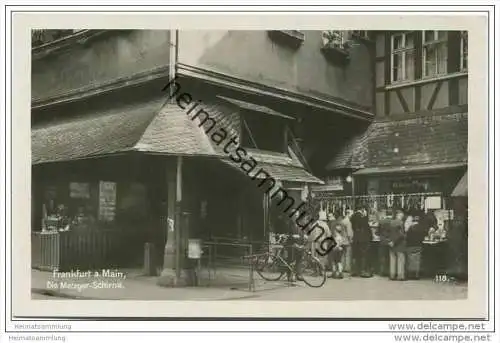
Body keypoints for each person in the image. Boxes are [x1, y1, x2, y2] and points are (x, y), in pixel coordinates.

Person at [351, 206, 373, 278]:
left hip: (356, 239)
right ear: (363, 210)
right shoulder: (363, 218)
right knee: (364, 255)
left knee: (356, 255)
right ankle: (364, 271)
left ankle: (355, 271)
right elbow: (367, 229)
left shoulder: (352, 217)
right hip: (363, 240)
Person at [405, 212, 428, 280]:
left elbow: (407, 237)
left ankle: (410, 275)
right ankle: (416, 275)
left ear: (413, 221)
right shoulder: (421, 228)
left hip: (410, 246)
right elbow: (423, 237)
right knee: (417, 261)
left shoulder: (409, 228)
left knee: (410, 261)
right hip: (418, 245)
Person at [388, 209, 406, 281]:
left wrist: (390, 241)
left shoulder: (391, 222)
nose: (402, 216)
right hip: (399, 243)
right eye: (401, 215)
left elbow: (388, 233)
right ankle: (400, 275)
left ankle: (392, 275)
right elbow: (401, 235)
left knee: (392, 259)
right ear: (398, 215)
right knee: (400, 259)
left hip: (391, 243)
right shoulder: (400, 223)